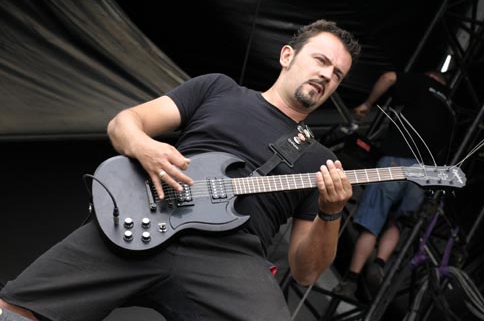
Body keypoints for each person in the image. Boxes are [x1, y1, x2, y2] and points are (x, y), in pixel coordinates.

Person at [0, 19, 361, 321]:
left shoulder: (322, 161)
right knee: (15, 310)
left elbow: (306, 272)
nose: (326, 75)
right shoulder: (218, 89)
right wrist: (145, 147)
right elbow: (124, 123)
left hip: (231, 258)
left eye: (337, 74)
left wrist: (330, 214)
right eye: (320, 60)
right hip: (147, 218)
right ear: (287, 55)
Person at [332, 69, 455, 300]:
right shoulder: (450, 111)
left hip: (397, 160)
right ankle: (380, 263)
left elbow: (389, 77)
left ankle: (351, 279)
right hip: (423, 175)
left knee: (372, 221)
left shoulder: (422, 82)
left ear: (431, 77)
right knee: (396, 222)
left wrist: (368, 104)